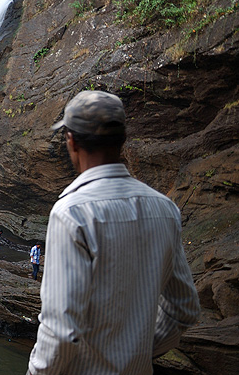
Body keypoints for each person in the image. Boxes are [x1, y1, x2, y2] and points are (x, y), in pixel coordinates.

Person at [27, 90, 200, 374]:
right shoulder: (166, 209)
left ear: (71, 141)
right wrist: (135, 350)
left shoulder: (71, 213)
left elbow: (60, 330)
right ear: (122, 141)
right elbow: (184, 308)